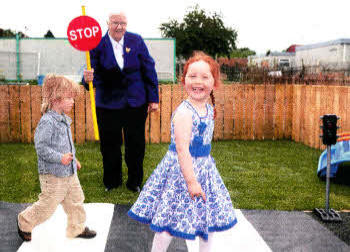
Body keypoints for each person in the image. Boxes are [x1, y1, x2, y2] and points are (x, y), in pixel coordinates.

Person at [128, 51, 237, 251]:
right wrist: (191, 181)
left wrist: (203, 172)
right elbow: (182, 149)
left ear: (214, 82)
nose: (198, 81)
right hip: (182, 173)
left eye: (205, 77)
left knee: (208, 218)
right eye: (192, 76)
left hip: (204, 170)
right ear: (183, 79)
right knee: (170, 220)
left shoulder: (209, 108)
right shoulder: (185, 113)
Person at [83, 12, 159, 193]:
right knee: (109, 145)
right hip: (107, 104)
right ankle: (111, 181)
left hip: (135, 102)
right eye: (115, 23)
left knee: (136, 145)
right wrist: (87, 78)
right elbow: (90, 74)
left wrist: (153, 98)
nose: (119, 27)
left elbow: (148, 69)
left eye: (123, 23)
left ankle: (135, 182)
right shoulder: (96, 44)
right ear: (107, 23)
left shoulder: (137, 40)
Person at [17, 74, 96, 242]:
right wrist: (60, 158)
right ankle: (25, 221)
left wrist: (73, 160)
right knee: (47, 205)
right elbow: (42, 148)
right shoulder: (47, 122)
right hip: (53, 174)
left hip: (69, 172)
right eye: (69, 98)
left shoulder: (63, 120)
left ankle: (77, 228)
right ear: (55, 99)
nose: (72, 101)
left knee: (76, 200)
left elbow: (65, 146)